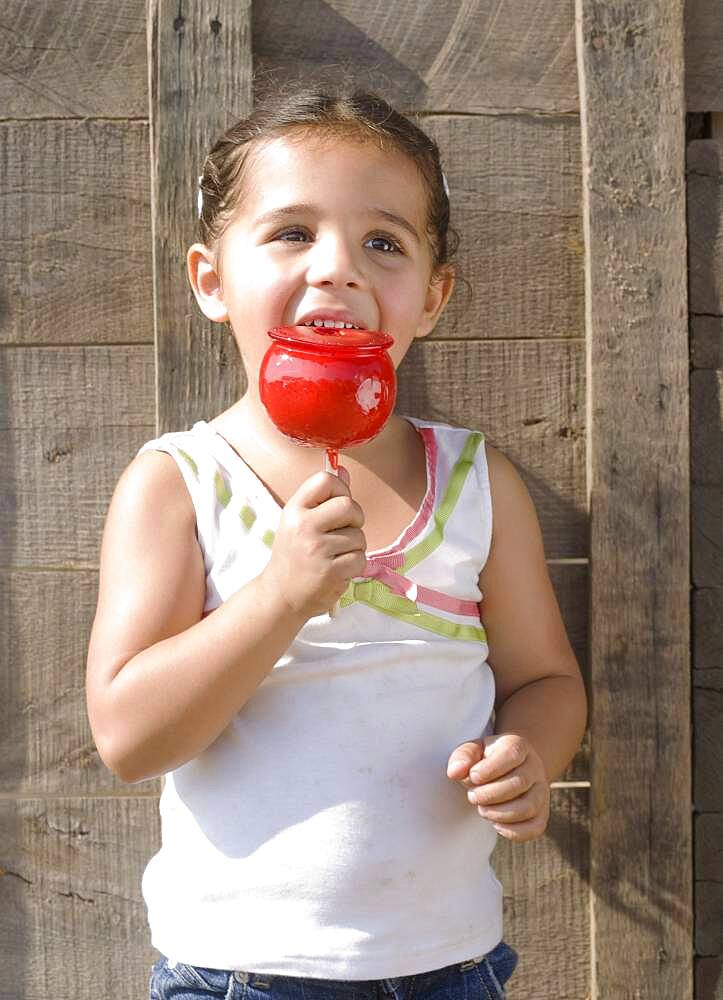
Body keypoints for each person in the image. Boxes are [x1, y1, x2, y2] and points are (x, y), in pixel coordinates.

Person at [85, 87, 587, 1000]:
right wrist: (279, 594)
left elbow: (545, 683)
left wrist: (529, 756)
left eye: (383, 243)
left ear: (431, 299)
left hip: (450, 965)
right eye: (290, 233)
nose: (337, 269)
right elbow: (127, 737)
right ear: (210, 280)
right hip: (235, 973)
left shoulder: (478, 482)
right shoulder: (178, 483)